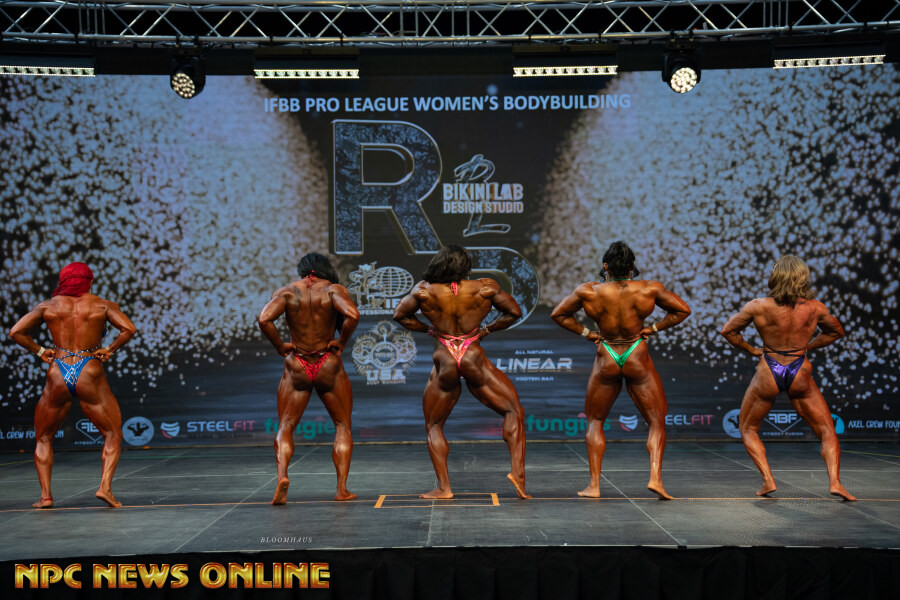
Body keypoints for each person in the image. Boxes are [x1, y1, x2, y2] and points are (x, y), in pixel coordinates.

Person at [551, 241, 691, 500]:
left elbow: (558, 315)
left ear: (605, 266)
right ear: (631, 267)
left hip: (607, 354)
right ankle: (655, 479)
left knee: (595, 421)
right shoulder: (649, 288)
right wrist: (653, 328)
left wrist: (588, 333)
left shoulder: (588, 291)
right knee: (656, 421)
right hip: (636, 352)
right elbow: (682, 310)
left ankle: (594, 486)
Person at [393, 244, 530, 499]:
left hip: (444, 355)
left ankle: (444, 488)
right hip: (472, 354)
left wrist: (431, 330)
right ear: (465, 267)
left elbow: (400, 315)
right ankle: (518, 475)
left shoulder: (424, 290)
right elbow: (514, 312)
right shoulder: (485, 287)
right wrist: (486, 330)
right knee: (513, 410)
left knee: (434, 425)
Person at [720, 255, 855, 501]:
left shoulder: (757, 306)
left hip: (768, 371)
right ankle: (835, 483)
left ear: (775, 276)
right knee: (827, 430)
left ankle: (768, 480)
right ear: (803, 277)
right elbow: (836, 332)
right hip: (799, 369)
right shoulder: (816, 308)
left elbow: (728, 330)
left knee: (748, 428)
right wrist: (807, 347)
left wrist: (751, 349)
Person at [9, 262, 137, 508]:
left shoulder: (48, 306)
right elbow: (128, 329)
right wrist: (109, 349)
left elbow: (16, 331)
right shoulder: (103, 305)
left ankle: (46, 496)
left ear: (63, 281)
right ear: (89, 281)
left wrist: (40, 351)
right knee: (112, 434)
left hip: (58, 370)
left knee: (43, 437)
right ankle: (105, 488)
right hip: (88, 368)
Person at [258, 253, 360, 504]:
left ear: (303, 270)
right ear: (324, 269)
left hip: (298, 364)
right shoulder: (332, 290)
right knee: (342, 426)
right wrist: (341, 342)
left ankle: (282, 475)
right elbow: (353, 315)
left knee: (286, 425)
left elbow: (264, 319)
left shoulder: (287, 292)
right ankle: (342, 490)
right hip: (327, 363)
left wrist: (280, 346)